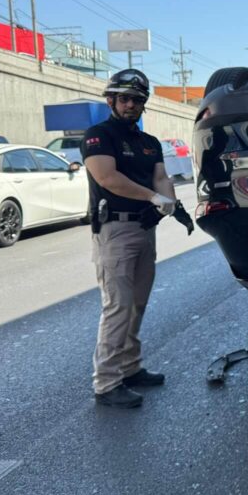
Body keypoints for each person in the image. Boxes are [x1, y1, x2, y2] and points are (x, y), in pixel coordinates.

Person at [81, 69, 178, 409]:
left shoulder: (149, 143)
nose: (131, 104)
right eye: (124, 98)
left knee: (137, 303)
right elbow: (107, 177)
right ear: (111, 100)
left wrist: (168, 202)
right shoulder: (99, 135)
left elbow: (162, 177)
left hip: (144, 229)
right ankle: (106, 383)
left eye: (138, 100)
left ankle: (130, 367)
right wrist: (151, 198)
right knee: (117, 307)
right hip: (115, 231)